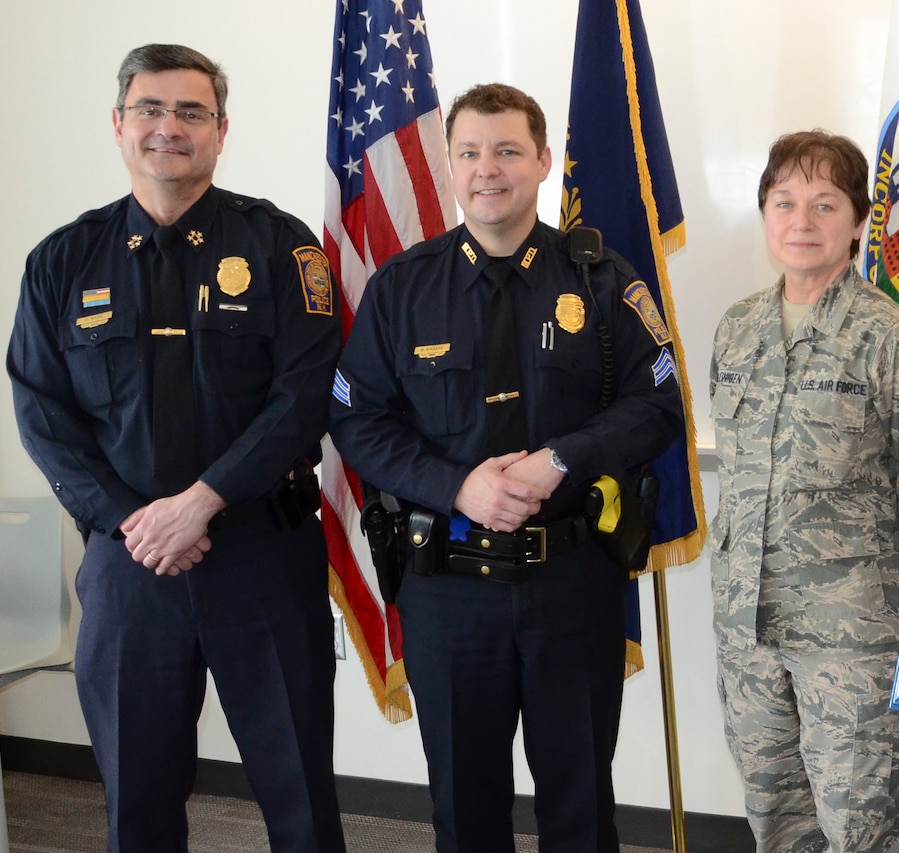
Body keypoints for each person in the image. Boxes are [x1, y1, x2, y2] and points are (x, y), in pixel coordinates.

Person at [7, 43, 346, 852]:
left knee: (300, 794)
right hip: (131, 569)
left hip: (263, 553)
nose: (170, 127)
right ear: (118, 125)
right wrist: (136, 521)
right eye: (151, 110)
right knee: (139, 799)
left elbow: (304, 396)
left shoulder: (281, 246)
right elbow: (42, 414)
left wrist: (201, 501)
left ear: (222, 131)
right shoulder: (62, 260)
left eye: (191, 112)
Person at [329, 83, 684, 851]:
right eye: (469, 152)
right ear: (449, 164)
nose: (487, 168)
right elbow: (357, 419)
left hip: (571, 585)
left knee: (581, 806)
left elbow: (658, 403)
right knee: (465, 809)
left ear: (543, 161)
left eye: (508, 150)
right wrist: (458, 486)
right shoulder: (402, 287)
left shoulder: (599, 277)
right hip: (448, 591)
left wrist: (564, 459)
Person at [708, 130, 899, 853]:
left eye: (824, 203)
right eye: (784, 202)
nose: (801, 221)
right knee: (775, 822)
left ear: (859, 220)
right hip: (747, 630)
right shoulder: (738, 327)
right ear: (765, 213)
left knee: (860, 830)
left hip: (855, 639)